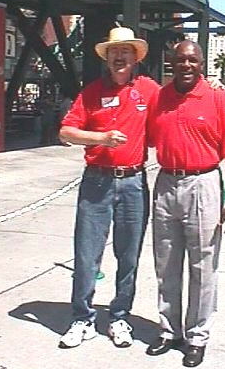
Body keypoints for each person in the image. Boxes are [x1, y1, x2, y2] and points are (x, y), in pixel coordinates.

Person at [58, 26, 159, 349]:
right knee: (87, 254)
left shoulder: (149, 90)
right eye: (115, 52)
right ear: (107, 58)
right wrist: (100, 138)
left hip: (133, 182)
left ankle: (119, 317)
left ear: (135, 58)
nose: (120, 57)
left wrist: (211, 86)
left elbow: (179, 103)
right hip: (96, 181)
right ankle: (82, 318)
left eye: (125, 51)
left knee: (128, 256)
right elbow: (66, 132)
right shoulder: (91, 92)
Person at [146, 40, 225, 367]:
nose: (186, 65)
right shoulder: (159, 98)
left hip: (203, 183)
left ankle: (197, 336)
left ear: (201, 63)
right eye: (180, 60)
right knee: (166, 262)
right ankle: (169, 330)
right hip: (165, 183)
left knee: (202, 265)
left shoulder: (219, 98)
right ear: (171, 62)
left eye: (192, 60)